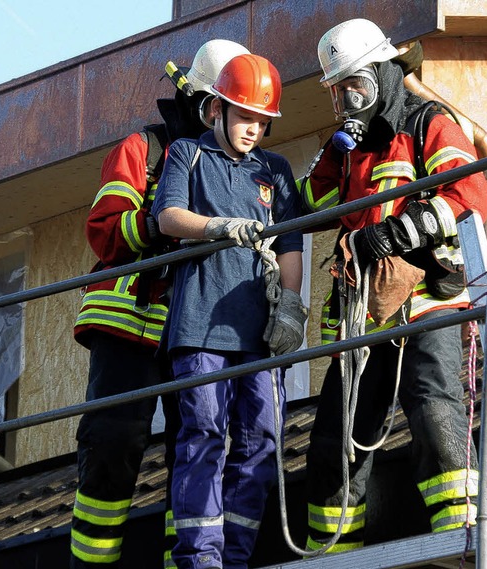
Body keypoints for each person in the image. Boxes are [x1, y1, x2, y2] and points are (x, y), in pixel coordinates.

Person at [299, 18, 487, 553]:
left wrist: (394, 234)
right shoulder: (350, 150)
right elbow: (311, 204)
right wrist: (329, 153)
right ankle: (331, 554)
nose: (346, 101)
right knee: (335, 440)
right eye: (338, 92)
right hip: (363, 314)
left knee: (433, 412)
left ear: (383, 74)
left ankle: (460, 536)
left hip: (428, 302)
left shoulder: (429, 122)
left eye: (354, 86)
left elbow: (470, 197)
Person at [70, 39, 250, 569]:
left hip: (191, 332)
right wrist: (159, 223)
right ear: (199, 102)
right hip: (127, 324)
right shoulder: (143, 150)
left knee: (193, 450)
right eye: (216, 107)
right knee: (112, 445)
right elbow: (104, 230)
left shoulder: (232, 165)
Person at [152, 53, 306, 569]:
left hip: (258, 334)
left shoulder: (275, 170)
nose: (253, 129)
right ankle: (202, 561)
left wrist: (288, 307)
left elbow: (290, 245)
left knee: (262, 441)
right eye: (245, 116)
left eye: (263, 120)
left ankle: (233, 558)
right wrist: (217, 227)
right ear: (216, 109)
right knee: (204, 438)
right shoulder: (186, 155)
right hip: (199, 330)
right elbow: (167, 217)